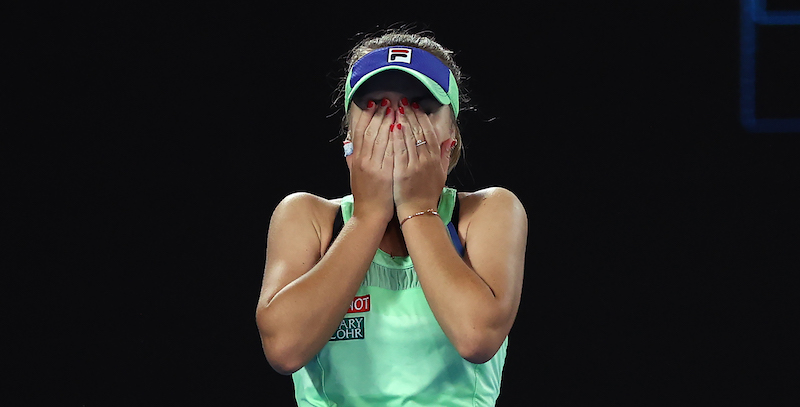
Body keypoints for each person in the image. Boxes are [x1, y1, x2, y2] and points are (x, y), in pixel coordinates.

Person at [256, 29, 528, 406]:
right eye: (376, 105)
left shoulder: (489, 211)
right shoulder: (307, 216)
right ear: (349, 137)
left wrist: (417, 209)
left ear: (451, 142)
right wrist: (368, 215)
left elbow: (476, 337)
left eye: (419, 106)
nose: (398, 124)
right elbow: (284, 349)